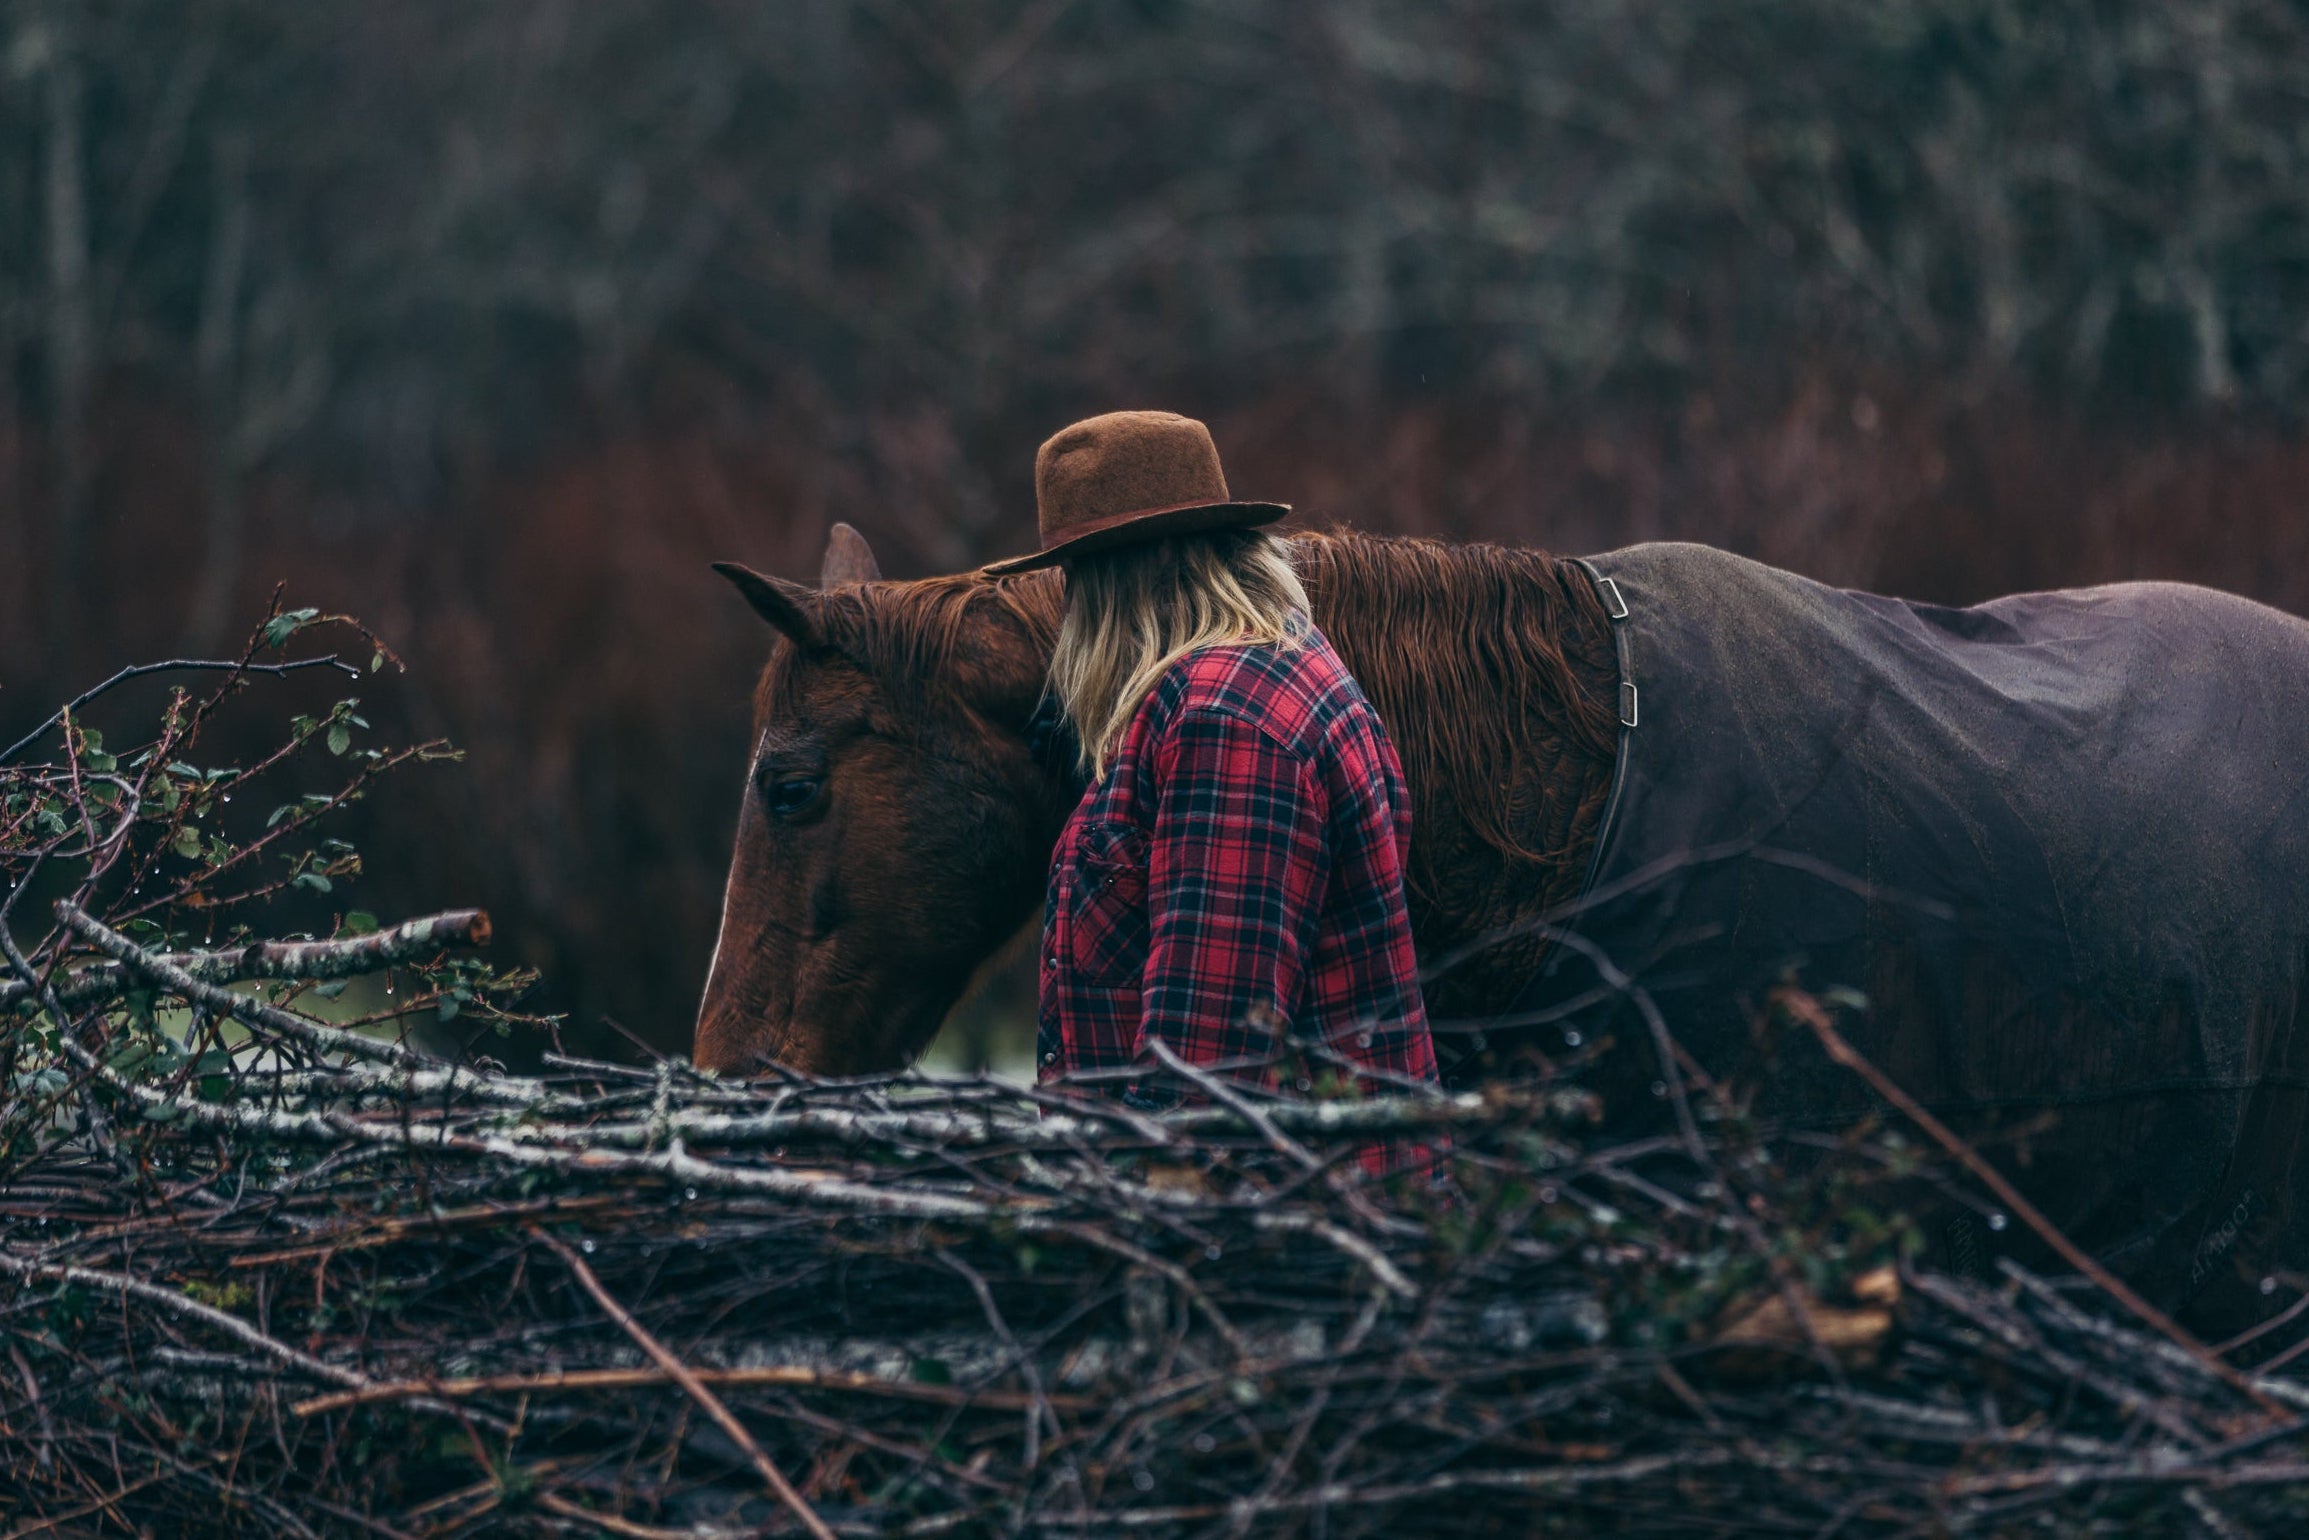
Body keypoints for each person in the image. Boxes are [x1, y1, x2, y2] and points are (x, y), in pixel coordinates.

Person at [984, 411, 1440, 1123]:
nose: (1068, 606)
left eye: (1080, 575)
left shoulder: (1224, 724)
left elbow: (1205, 1074)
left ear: (1152, 564)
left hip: (1268, 1215)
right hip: (1283, 1203)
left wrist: (1145, 1210)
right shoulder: (1265, 670)